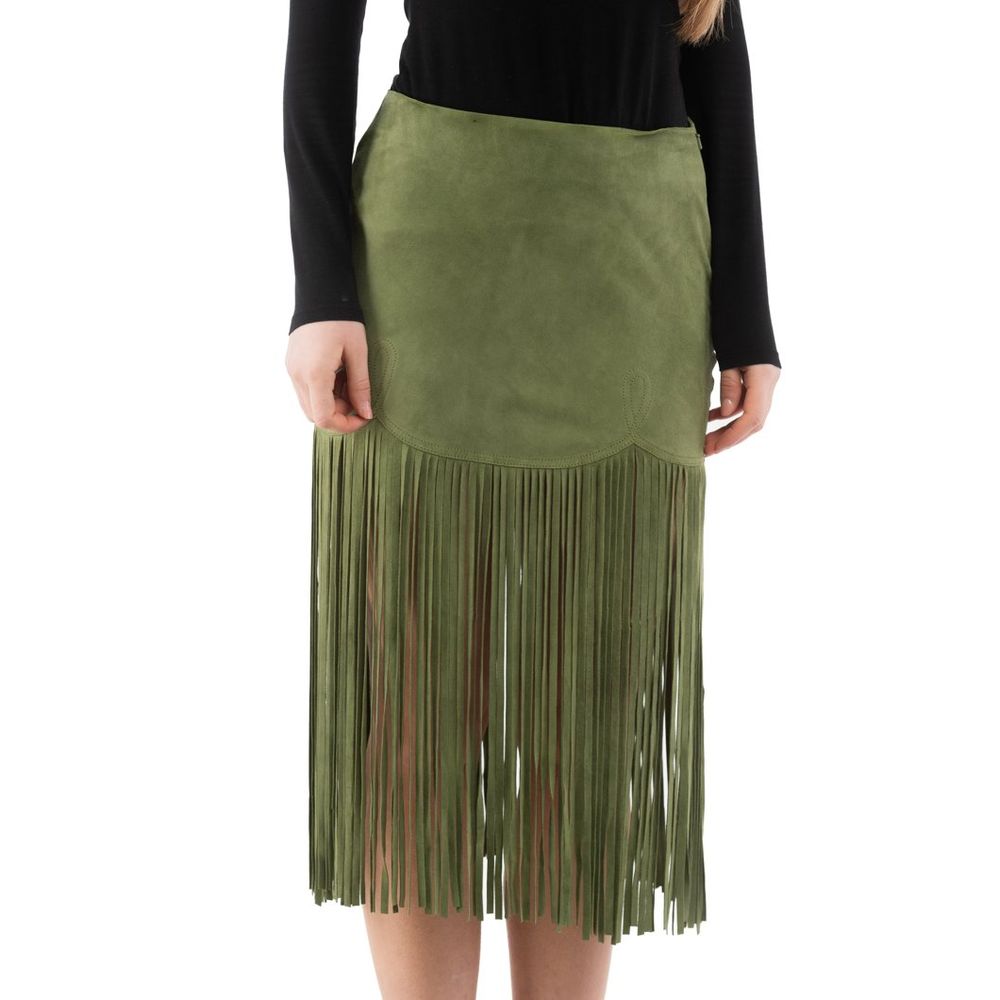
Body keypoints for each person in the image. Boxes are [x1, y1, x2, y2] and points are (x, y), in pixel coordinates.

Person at [282, 1, 781, 996]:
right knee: (419, 712)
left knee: (582, 716)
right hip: (433, 258)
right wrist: (320, 289)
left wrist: (746, 316)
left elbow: (714, 44)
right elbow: (321, 34)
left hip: (634, 262)